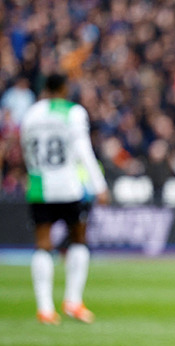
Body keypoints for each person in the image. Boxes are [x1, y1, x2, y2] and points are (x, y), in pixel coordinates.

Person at [19, 73, 109, 324]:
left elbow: (25, 147)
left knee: (43, 243)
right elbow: (82, 150)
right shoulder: (74, 112)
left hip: (39, 185)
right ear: (63, 88)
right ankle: (73, 301)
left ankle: (45, 308)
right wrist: (99, 185)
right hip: (68, 186)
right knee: (79, 239)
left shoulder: (31, 114)